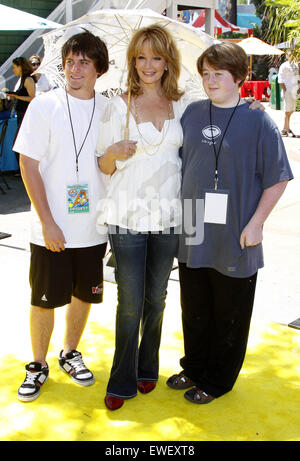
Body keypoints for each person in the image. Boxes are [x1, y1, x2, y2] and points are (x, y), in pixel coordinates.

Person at [96, 25, 263, 411]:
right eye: (141, 57)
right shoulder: (116, 105)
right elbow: (103, 166)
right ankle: (121, 378)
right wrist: (113, 153)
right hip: (127, 216)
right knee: (130, 302)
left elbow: (222, 113)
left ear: (168, 62)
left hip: (173, 216)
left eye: (156, 57)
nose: (148, 65)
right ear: (132, 61)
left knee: (158, 298)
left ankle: (147, 367)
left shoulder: (185, 103)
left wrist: (250, 105)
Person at [166, 42, 293, 404]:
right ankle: (194, 367)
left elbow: (278, 178)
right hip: (193, 230)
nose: (210, 80)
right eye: (205, 74)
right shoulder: (191, 113)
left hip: (238, 233)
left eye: (218, 74)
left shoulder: (258, 120)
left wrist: (257, 224)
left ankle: (218, 380)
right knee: (194, 309)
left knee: (230, 314)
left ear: (239, 77)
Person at [13, 31, 109, 402]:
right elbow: (28, 164)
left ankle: (70, 352)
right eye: (70, 61)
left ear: (98, 68)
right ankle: (38, 364)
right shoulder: (45, 104)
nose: (75, 68)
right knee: (44, 298)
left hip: (93, 226)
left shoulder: (109, 108)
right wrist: (47, 220)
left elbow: (110, 166)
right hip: (51, 228)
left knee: (84, 295)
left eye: (84, 61)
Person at [6, 57, 36, 168]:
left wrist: (16, 96)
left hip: (25, 115)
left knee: (19, 144)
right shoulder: (22, 79)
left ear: (21, 67)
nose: (13, 70)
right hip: (20, 114)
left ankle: (24, 170)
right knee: (18, 144)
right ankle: (22, 170)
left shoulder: (28, 79)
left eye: (14, 67)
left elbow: (32, 98)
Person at [278, 51, 300, 137]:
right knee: (287, 110)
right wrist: (285, 90)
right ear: (287, 56)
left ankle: (286, 128)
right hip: (287, 90)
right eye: (289, 55)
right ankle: (286, 129)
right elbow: (280, 79)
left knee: (292, 110)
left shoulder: (296, 65)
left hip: (294, 90)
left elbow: (298, 77)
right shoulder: (284, 66)